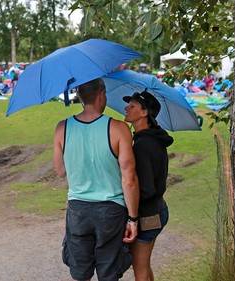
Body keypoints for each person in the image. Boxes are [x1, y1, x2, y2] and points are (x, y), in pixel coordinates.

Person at [53, 78, 140, 281]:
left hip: (78, 210)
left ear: (81, 97)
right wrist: (133, 219)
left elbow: (60, 171)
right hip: (111, 211)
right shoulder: (119, 129)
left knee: (80, 272)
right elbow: (129, 180)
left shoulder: (62, 128)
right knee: (109, 272)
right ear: (101, 95)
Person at [123, 90, 174, 281]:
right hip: (158, 208)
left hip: (148, 214)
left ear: (145, 113)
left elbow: (145, 188)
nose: (126, 108)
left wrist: (130, 212)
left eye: (133, 106)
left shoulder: (143, 145)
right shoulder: (153, 138)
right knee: (143, 265)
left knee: (140, 268)